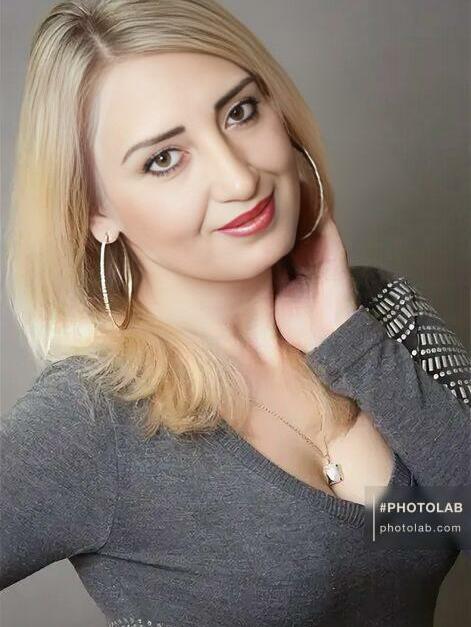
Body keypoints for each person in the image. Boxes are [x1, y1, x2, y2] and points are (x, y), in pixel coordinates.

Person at [1, 1, 469, 625]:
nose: (239, 178)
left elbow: (443, 521)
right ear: (95, 210)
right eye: (164, 158)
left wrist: (351, 345)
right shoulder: (89, 420)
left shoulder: (382, 313)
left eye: (240, 112)